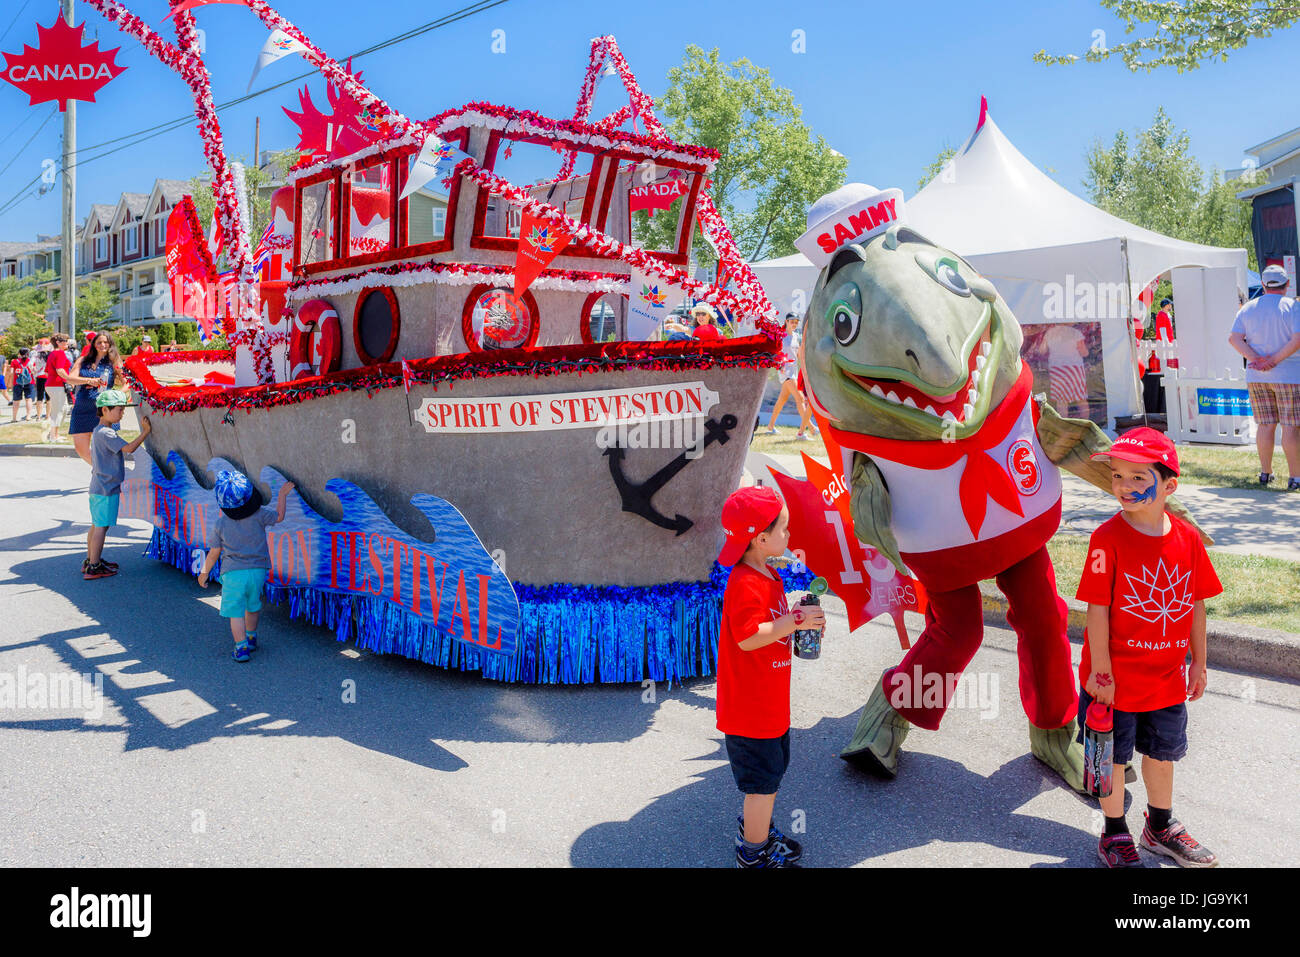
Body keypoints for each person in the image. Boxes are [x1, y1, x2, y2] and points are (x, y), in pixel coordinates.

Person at [1076, 427, 1221, 867]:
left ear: (1168, 485)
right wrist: (1101, 675)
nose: (1124, 486)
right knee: (1112, 761)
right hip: (1114, 683)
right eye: (1118, 475)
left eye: (1138, 478)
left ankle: (1160, 826)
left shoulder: (1189, 540)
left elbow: (1195, 605)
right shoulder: (1106, 540)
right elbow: (1097, 611)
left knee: (1162, 755)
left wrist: (1198, 663)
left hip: (1165, 680)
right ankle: (1114, 833)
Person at [716, 485, 824, 868]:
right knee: (762, 785)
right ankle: (752, 852)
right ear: (761, 538)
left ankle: (756, 831)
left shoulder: (769, 576)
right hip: (750, 712)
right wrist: (794, 620)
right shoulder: (744, 582)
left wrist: (799, 625)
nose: (789, 536)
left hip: (769, 706)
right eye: (784, 529)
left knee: (770, 780)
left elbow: (771, 629)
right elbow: (747, 638)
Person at [198, 470, 294, 663]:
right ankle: (251, 637)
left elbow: (214, 553)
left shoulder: (220, 524)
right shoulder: (259, 515)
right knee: (252, 606)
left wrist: (204, 572)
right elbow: (279, 516)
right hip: (258, 571)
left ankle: (241, 648)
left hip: (233, 574)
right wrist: (282, 495)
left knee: (236, 612)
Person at [1228, 263, 1300, 490]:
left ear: (1263, 285)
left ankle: (1265, 473)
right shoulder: (1293, 307)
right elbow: (1297, 339)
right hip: (1289, 375)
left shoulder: (1248, 307)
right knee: (1290, 427)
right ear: (1287, 284)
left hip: (1257, 375)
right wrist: (1275, 360)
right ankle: (1295, 477)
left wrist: (1257, 359)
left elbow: (1234, 338)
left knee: (1265, 425)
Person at [84, 390, 152, 580]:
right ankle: (94, 567)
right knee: (101, 527)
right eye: (120, 410)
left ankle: (91, 560)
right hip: (106, 489)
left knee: (97, 524)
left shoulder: (100, 431)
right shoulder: (106, 433)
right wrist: (146, 432)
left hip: (99, 487)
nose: (122, 414)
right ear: (105, 410)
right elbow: (129, 449)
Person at [65, 332, 124, 465]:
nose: (103, 345)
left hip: (105, 409)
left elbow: (127, 383)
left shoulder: (114, 361)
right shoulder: (83, 360)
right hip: (82, 407)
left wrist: (117, 397)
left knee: (107, 447)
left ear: (110, 344)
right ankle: (102, 470)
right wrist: (89, 380)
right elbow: (70, 378)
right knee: (80, 448)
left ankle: (107, 474)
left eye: (105, 342)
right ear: (94, 345)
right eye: (99, 342)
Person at [764, 313, 815, 439]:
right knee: (800, 398)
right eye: (792, 321)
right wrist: (778, 365)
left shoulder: (796, 337)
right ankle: (810, 429)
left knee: (781, 400)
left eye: (796, 322)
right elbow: (774, 353)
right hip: (785, 373)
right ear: (786, 321)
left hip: (794, 372)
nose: (794, 323)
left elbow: (797, 355)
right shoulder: (781, 336)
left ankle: (770, 426)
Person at [43, 334, 74, 442]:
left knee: (63, 409)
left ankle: (53, 434)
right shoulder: (60, 353)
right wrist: (70, 380)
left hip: (52, 385)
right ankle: (53, 436)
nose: (67, 342)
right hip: (56, 385)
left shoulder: (52, 354)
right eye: (65, 340)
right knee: (59, 410)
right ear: (58, 342)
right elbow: (60, 370)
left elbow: (47, 371)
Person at [8, 347, 36, 423]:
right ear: (28, 354)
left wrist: (11, 383)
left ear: (19, 353)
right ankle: (28, 416)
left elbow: (11, 373)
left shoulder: (14, 361)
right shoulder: (30, 361)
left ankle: (14, 418)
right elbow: (34, 371)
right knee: (28, 399)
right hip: (29, 382)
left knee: (16, 401)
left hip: (17, 383)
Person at [31, 340, 49, 422]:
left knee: (39, 397)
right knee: (49, 397)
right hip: (48, 376)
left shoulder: (35, 354)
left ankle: (38, 416)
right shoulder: (50, 354)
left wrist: (34, 371)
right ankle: (47, 416)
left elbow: (30, 364)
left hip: (39, 376)